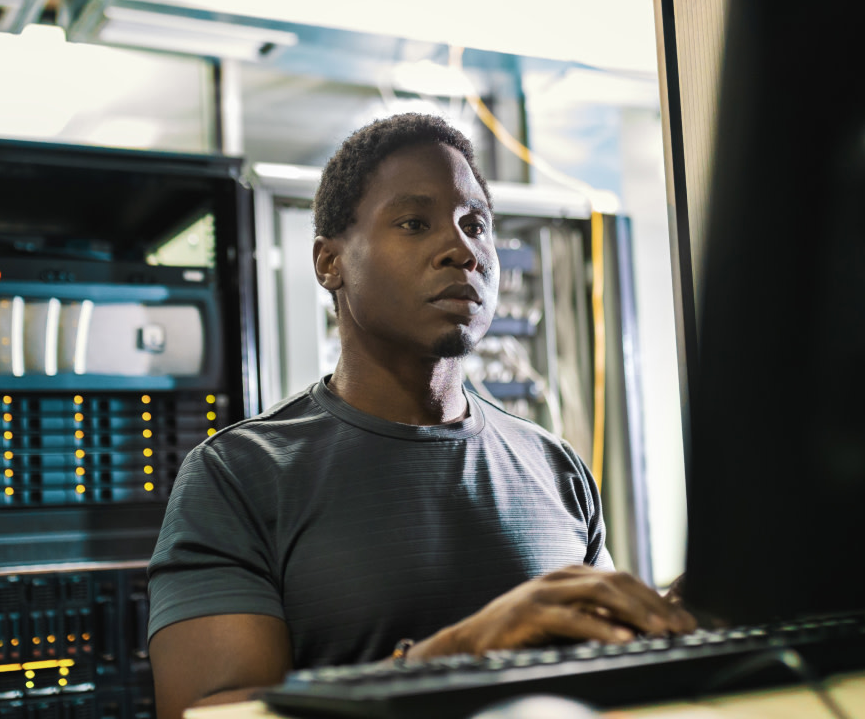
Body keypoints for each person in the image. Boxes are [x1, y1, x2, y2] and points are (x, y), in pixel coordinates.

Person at [146, 113, 695, 719]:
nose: (462, 250)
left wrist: (677, 625)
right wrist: (457, 653)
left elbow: (606, 672)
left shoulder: (553, 464)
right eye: (414, 222)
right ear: (330, 263)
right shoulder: (237, 476)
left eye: (476, 224)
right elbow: (204, 714)